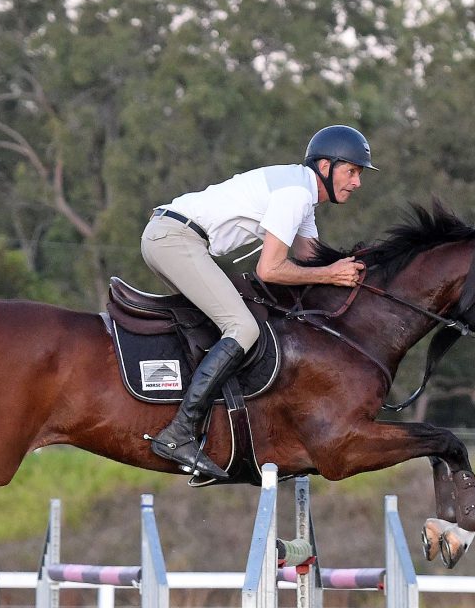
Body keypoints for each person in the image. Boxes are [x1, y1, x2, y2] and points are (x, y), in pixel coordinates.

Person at [141, 124, 375, 480]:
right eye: (352, 171)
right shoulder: (296, 194)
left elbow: (310, 263)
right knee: (243, 327)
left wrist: (354, 274)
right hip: (175, 239)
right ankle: (179, 433)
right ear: (325, 167)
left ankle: (215, 429)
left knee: (227, 324)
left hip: (170, 236)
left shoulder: (302, 197)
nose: (357, 182)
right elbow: (270, 270)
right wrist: (331, 275)